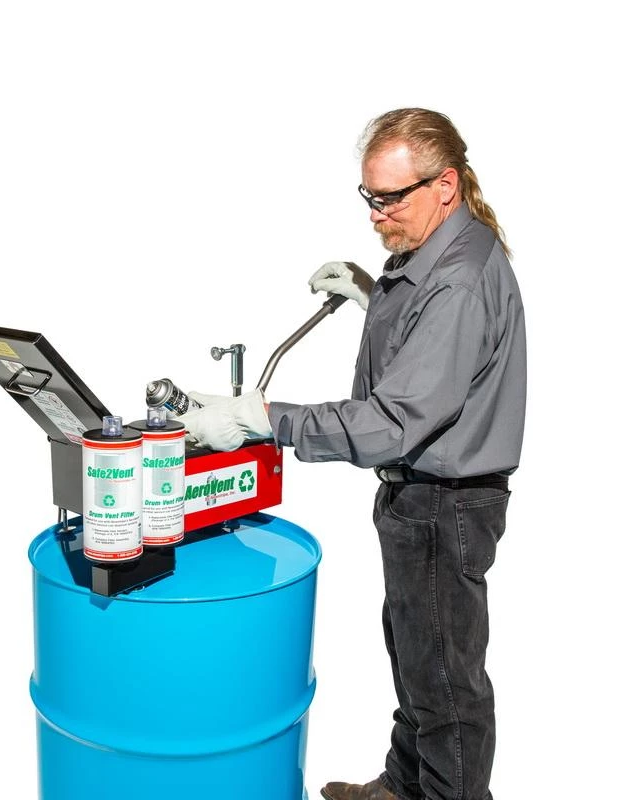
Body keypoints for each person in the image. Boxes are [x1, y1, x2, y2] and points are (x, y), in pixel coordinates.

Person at [181, 107, 526, 800]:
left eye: (390, 198)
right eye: (369, 196)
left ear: (445, 184)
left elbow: (392, 422)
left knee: (445, 682)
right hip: (422, 498)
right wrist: (376, 297)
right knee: (417, 655)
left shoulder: (458, 281)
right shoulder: (442, 254)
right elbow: (430, 350)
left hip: (443, 503)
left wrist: (262, 420)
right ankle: (404, 785)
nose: (375, 214)